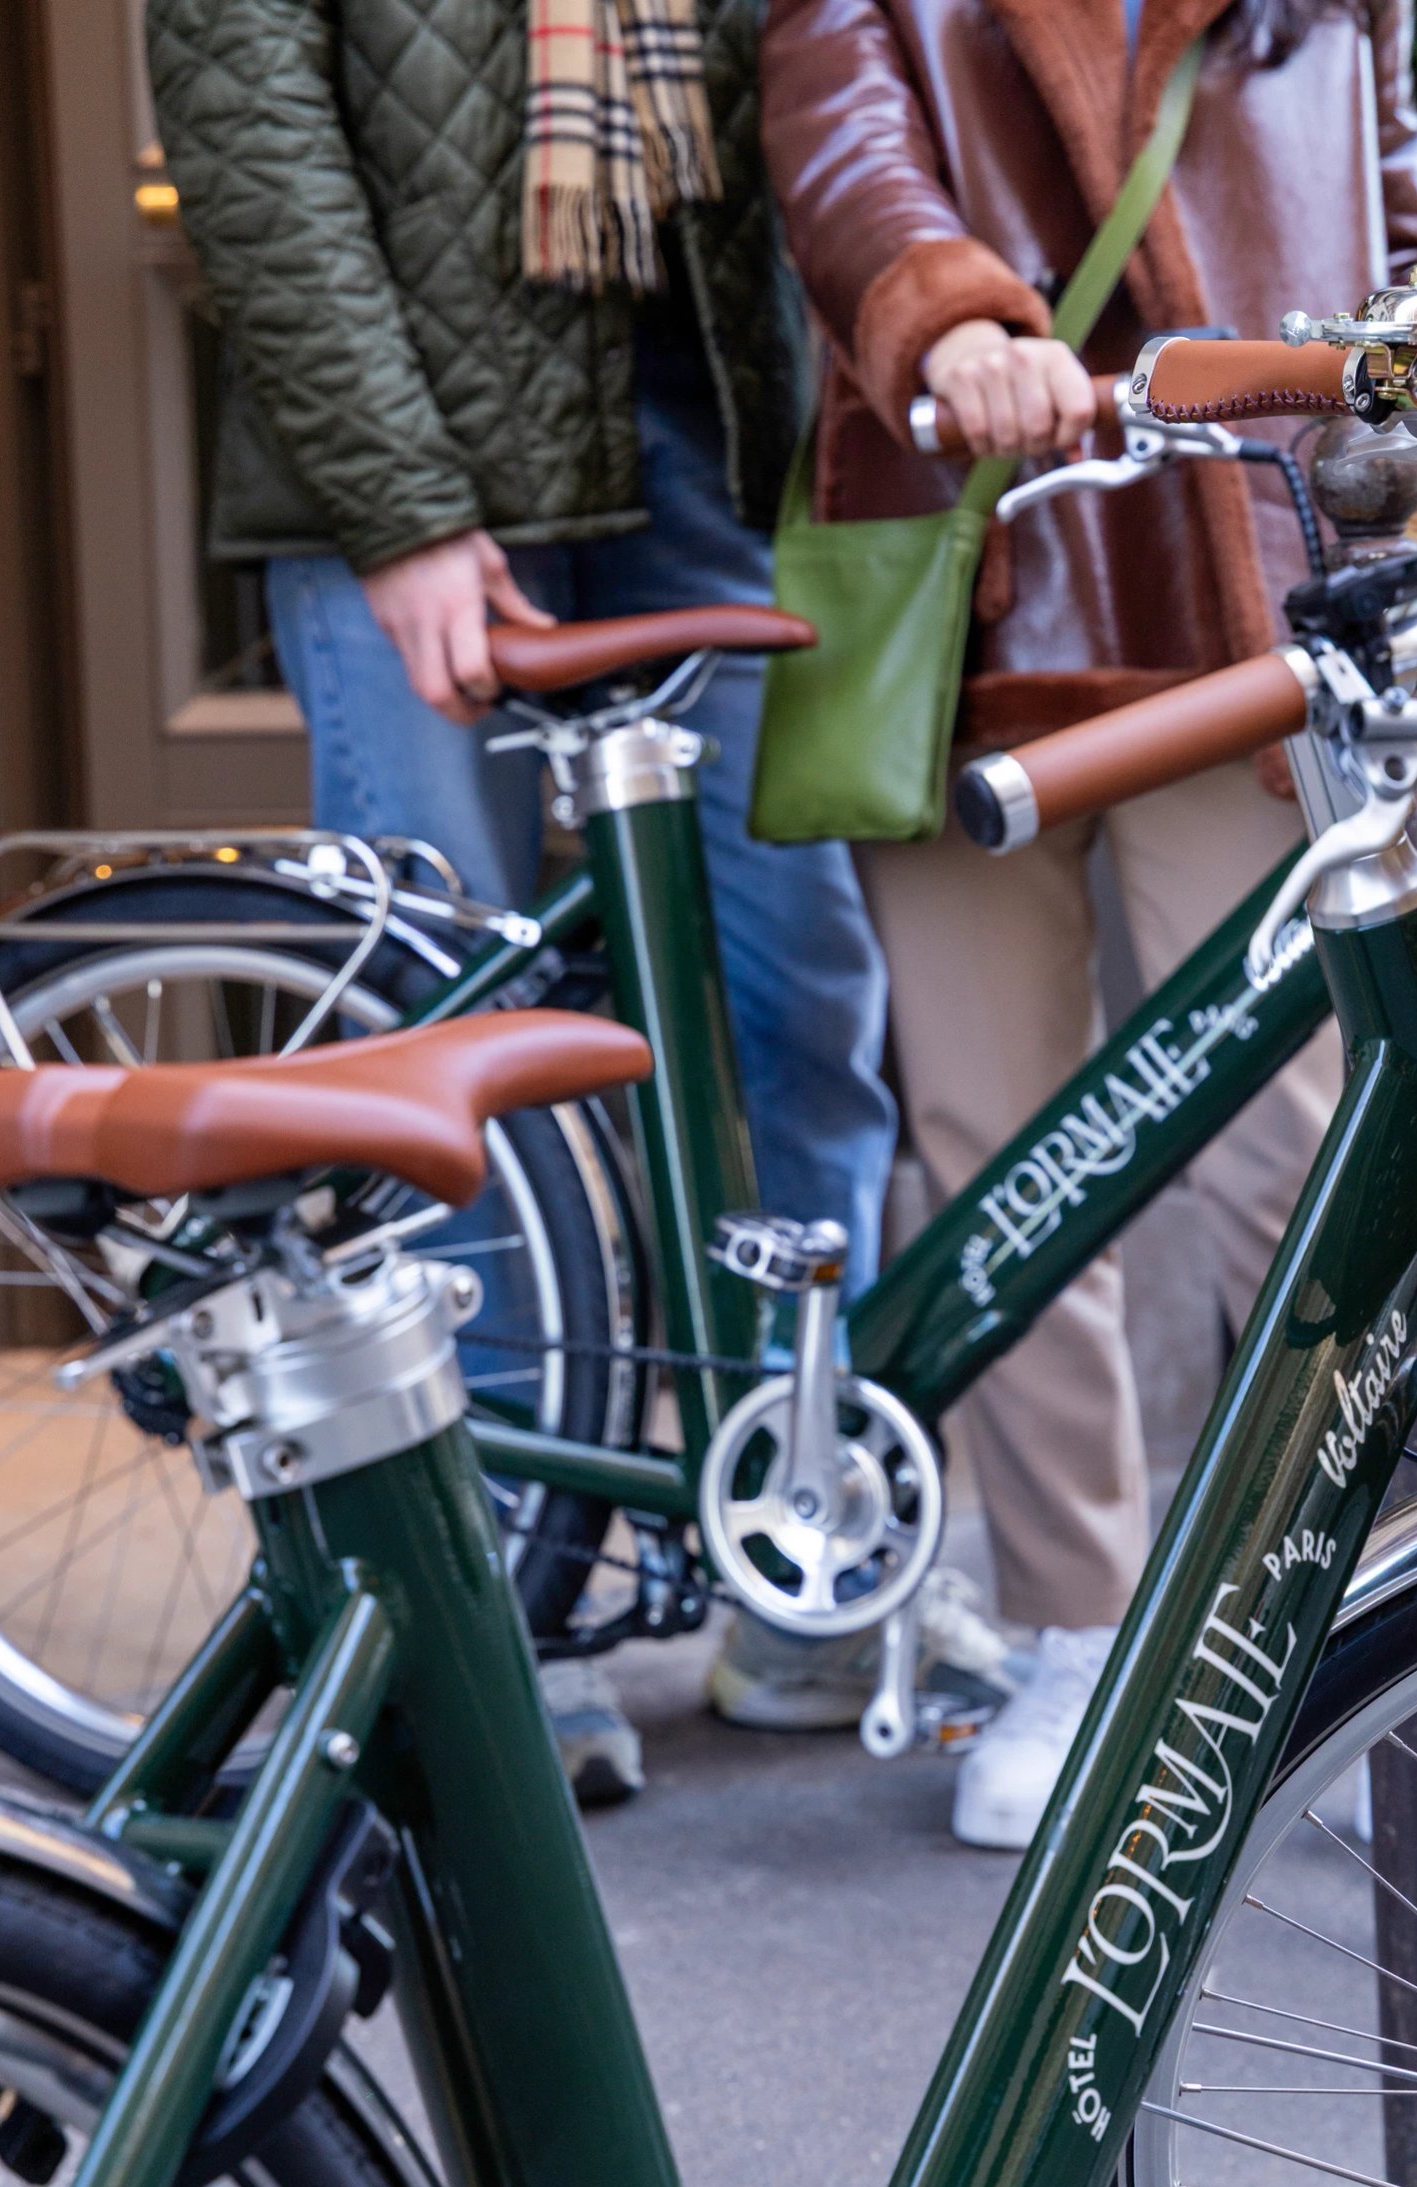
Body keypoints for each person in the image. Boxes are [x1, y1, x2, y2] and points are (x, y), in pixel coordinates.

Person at [147, 0, 907, 1795]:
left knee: (806, 994)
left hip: (692, 450)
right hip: (407, 486)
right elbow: (254, 145)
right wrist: (402, 511)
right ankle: (509, 1600)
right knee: (451, 1056)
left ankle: (804, 1533)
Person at [761, 0, 1417, 1847]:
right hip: (981, 574)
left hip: (1247, 590)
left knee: (1303, 1143)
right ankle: (1073, 1628)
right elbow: (841, 152)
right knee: (1006, 1157)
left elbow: (1402, 231)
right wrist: (955, 313)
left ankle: (1377, 1622)